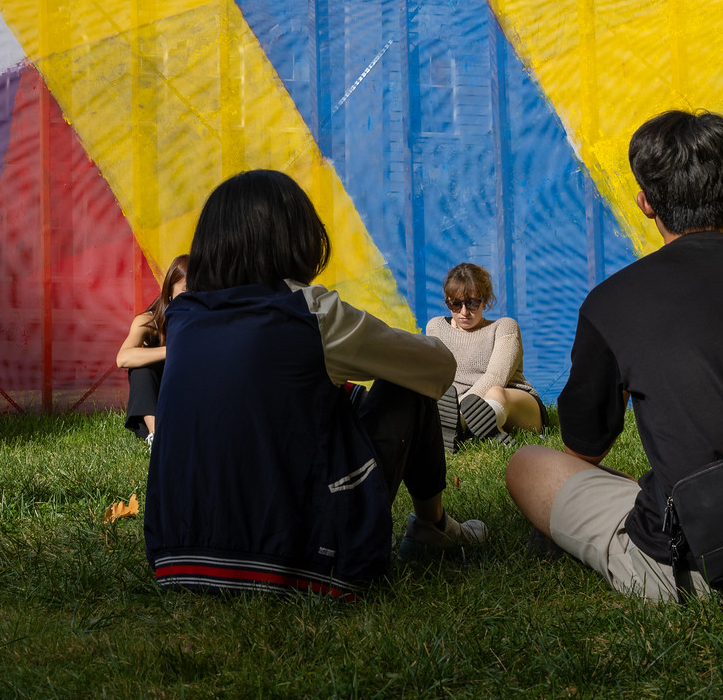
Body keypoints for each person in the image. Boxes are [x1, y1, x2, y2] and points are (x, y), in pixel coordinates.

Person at [504, 110, 723, 601]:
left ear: (645, 203)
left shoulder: (613, 301)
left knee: (528, 463)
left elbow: (584, 450)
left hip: (710, 564)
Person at [144, 169, 486, 599]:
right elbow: (437, 367)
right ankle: (433, 529)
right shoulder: (308, 311)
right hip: (313, 562)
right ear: (297, 239)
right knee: (407, 383)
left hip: (177, 560)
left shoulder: (184, 318)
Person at [424, 262, 543, 447]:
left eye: (471, 303)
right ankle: (487, 433)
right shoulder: (436, 327)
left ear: (484, 300)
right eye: (455, 304)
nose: (464, 312)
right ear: (447, 300)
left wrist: (455, 414)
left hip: (515, 404)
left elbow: (496, 377)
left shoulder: (504, 327)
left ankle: (459, 429)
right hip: (455, 408)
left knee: (495, 392)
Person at [115, 255, 188, 443]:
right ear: (170, 291)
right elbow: (123, 358)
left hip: (190, 397)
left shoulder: (207, 320)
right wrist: (171, 351)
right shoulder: (149, 321)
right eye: (186, 290)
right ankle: (156, 437)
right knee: (141, 368)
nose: (192, 298)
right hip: (159, 400)